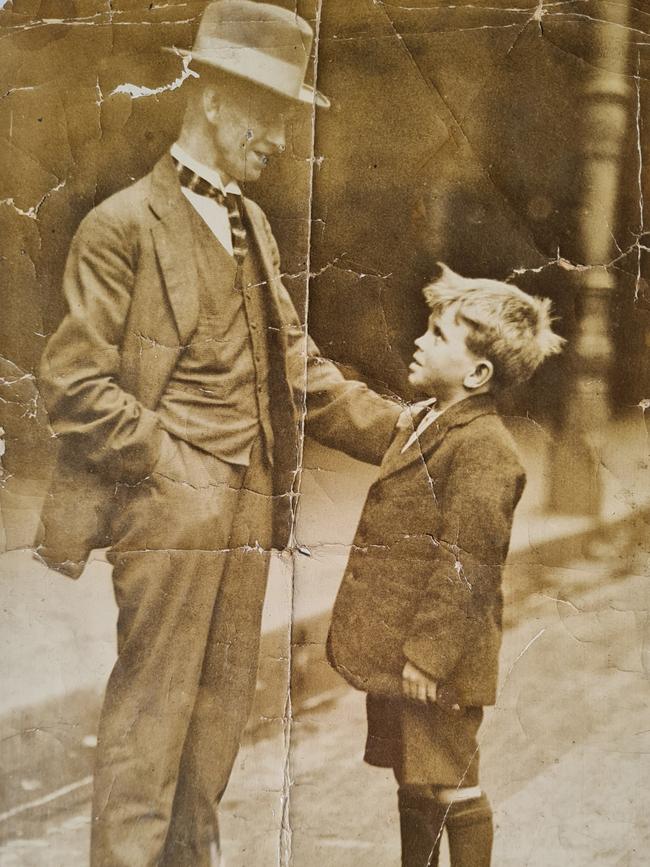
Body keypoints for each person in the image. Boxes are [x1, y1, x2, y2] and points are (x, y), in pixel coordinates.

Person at [36, 2, 400, 864]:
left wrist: (405, 429)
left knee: (210, 744)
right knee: (147, 740)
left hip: (245, 520)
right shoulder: (121, 225)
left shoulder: (253, 226)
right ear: (207, 97)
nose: (280, 138)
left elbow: (299, 368)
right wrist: (166, 463)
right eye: (268, 112)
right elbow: (73, 385)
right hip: (167, 520)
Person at [328, 264, 564, 867]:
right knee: (415, 776)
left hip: (436, 660)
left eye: (437, 336)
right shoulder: (430, 421)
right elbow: (359, 421)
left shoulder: (485, 448)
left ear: (478, 372)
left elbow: (470, 566)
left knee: (453, 779)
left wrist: (428, 657)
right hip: (404, 656)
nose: (418, 341)